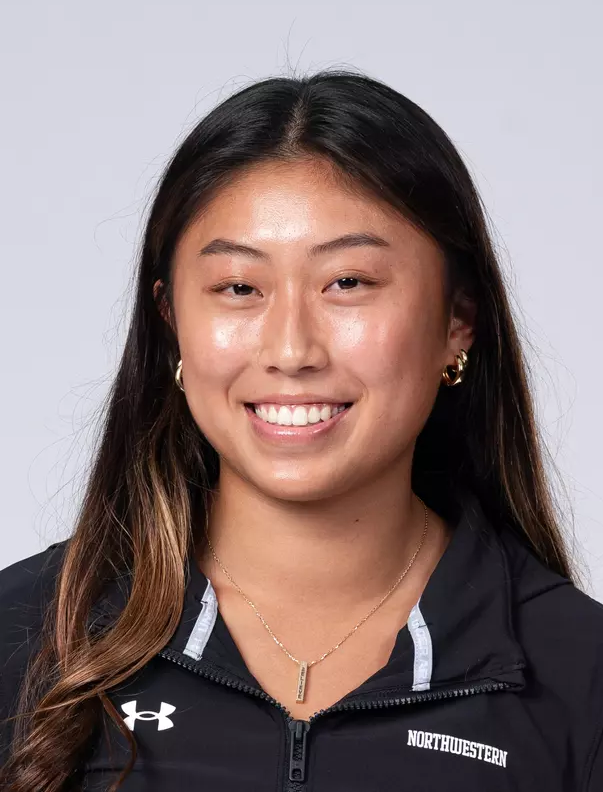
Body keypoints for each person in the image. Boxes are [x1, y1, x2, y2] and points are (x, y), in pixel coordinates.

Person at [1, 68, 602, 792]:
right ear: (170, 324)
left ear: (458, 320)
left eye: (347, 282)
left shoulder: (579, 675)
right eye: (238, 288)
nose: (291, 350)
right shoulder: (23, 634)